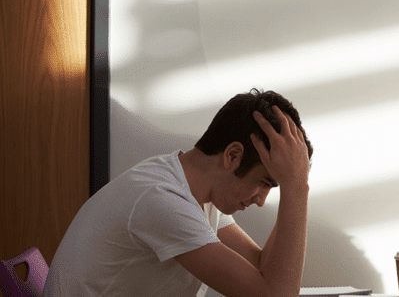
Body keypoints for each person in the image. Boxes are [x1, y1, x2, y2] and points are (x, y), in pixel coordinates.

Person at [43, 89, 313, 297]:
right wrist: (296, 187)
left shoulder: (197, 192)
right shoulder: (162, 199)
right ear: (232, 155)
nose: (261, 200)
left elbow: (260, 266)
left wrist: (295, 181)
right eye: (265, 182)